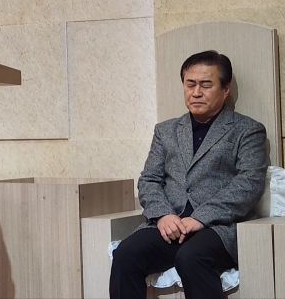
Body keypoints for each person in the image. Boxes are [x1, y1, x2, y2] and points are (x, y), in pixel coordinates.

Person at [109, 50, 268, 299]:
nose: (196, 92)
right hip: (170, 225)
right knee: (126, 254)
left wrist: (201, 217)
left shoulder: (247, 130)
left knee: (191, 256)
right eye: (190, 84)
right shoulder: (166, 130)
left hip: (218, 227)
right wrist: (163, 215)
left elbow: (249, 184)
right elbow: (149, 179)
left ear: (225, 89)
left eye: (206, 84)